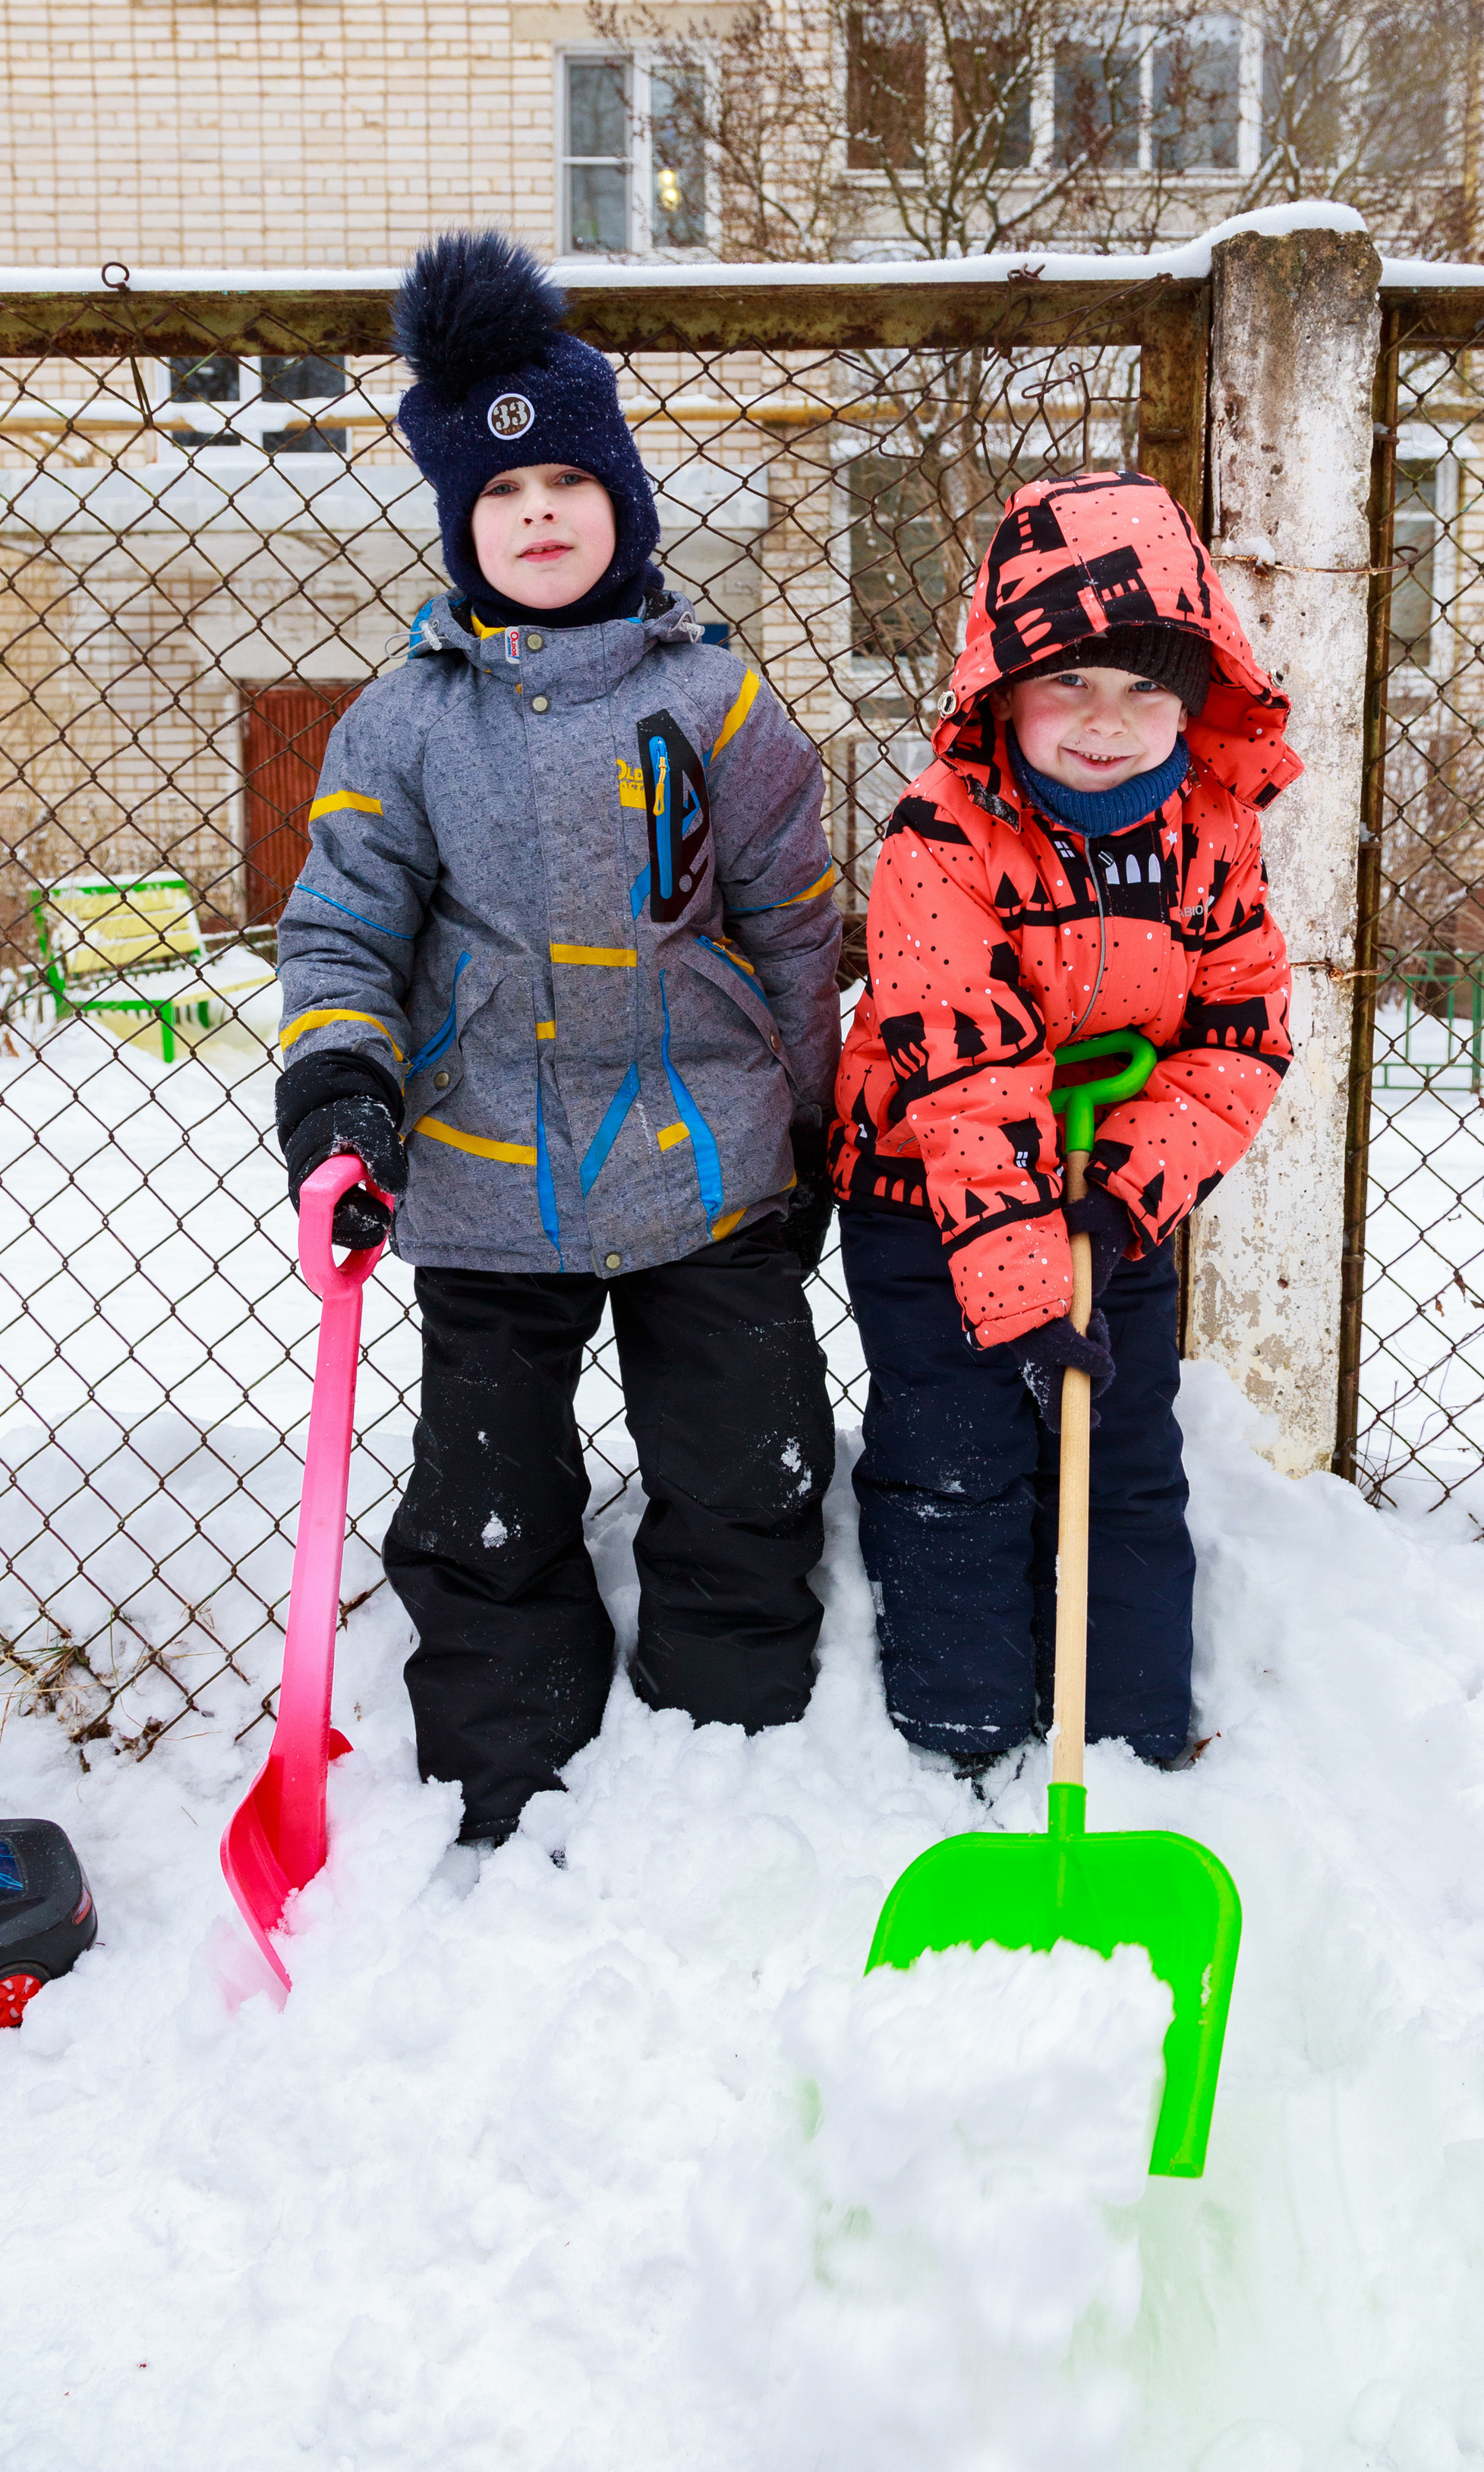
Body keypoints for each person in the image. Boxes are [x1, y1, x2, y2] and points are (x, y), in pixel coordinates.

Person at [274, 231, 842, 1848]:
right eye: (499, 501)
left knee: (745, 1464)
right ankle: (504, 1762)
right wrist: (340, 1094)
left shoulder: (719, 707)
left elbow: (793, 923)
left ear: (623, 507)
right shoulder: (403, 724)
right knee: (483, 1498)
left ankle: (732, 1735)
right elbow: (340, 933)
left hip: (703, 1159)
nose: (536, 516)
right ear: (461, 529)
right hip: (478, 1175)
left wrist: (809, 1127)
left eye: (568, 490)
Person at [830, 470, 1298, 1774]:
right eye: (1069, 684)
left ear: (1200, 697)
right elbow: (965, 1072)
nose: (1109, 722)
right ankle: (960, 1726)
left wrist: (1134, 1184)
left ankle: (1127, 1725)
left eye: (1149, 687)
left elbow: (1242, 1030)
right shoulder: (944, 836)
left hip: (1107, 1193)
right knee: (959, 1457)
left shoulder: (1214, 839)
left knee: (1124, 1456)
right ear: (1002, 686)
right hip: (929, 1191)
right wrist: (1026, 1286)